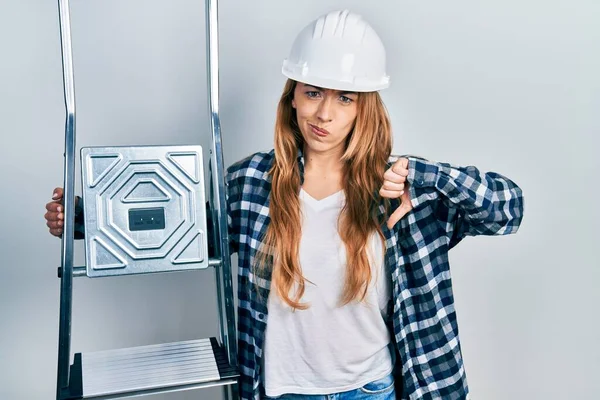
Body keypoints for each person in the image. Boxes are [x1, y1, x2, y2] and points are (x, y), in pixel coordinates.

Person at [44, 9, 524, 400]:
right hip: (280, 391)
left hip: (374, 389)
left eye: (345, 98)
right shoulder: (253, 182)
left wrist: (425, 174)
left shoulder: (397, 190)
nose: (325, 113)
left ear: (365, 108)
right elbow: (184, 232)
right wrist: (83, 220)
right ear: (292, 95)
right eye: (313, 92)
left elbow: (508, 209)